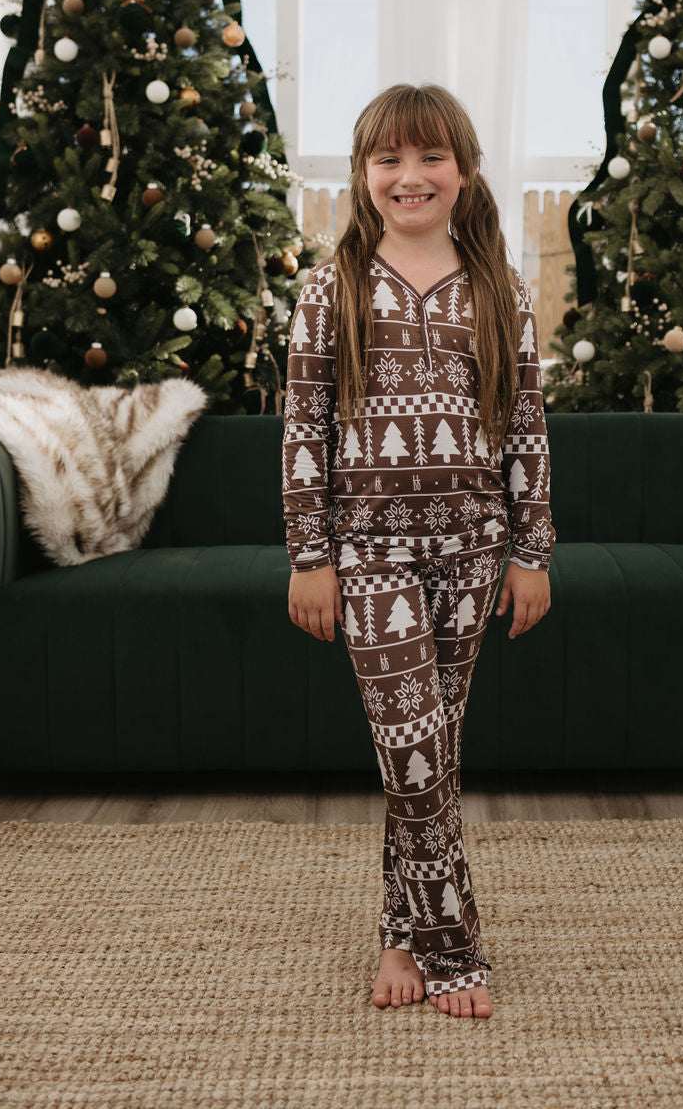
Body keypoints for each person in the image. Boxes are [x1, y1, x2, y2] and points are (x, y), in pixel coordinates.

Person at [282, 82, 554, 1020]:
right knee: (409, 750)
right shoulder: (331, 289)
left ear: (465, 173)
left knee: (432, 749)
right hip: (368, 558)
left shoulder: (499, 290)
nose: (410, 175)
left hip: (476, 552)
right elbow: (303, 429)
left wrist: (533, 550)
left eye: (430, 157)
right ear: (363, 179)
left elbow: (524, 427)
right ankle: (455, 944)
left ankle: (399, 934)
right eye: (389, 160)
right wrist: (309, 553)